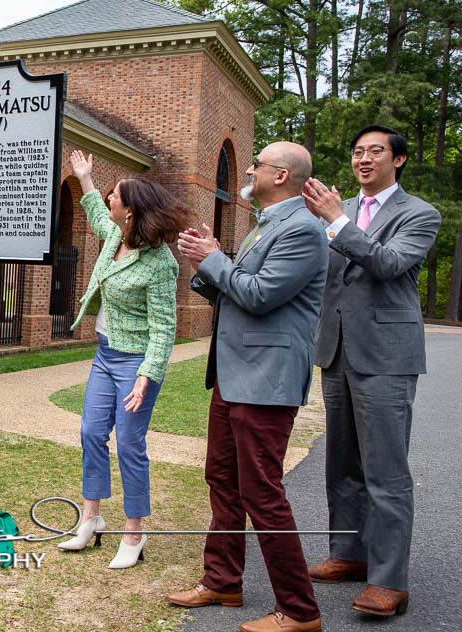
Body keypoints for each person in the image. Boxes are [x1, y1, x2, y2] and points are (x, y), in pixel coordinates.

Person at [169, 142, 326, 632]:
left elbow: (258, 297)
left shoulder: (302, 229)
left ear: (280, 175)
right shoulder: (267, 223)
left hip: (266, 381)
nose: (251, 167)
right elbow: (238, 287)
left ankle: (300, 611)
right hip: (235, 376)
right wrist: (205, 261)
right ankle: (223, 581)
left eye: (257, 162)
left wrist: (215, 258)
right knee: (223, 480)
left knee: (263, 494)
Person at [302, 125, 441, 617]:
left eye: (375, 151)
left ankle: (389, 581)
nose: (364, 159)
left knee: (386, 472)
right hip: (337, 351)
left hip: (387, 355)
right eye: (358, 151)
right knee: (341, 466)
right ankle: (349, 553)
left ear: (397, 160)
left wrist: (337, 220)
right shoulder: (334, 215)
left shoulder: (419, 214)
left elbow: (387, 264)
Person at [58, 150, 188, 570]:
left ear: (130, 212)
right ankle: (92, 519)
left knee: (130, 444)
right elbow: (97, 214)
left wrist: (147, 376)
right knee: (91, 432)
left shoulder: (160, 263)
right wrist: (85, 178)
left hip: (136, 363)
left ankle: (134, 532)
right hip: (105, 354)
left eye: (116, 196)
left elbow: (164, 328)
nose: (110, 199)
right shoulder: (116, 235)